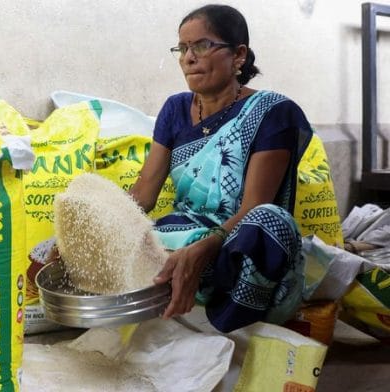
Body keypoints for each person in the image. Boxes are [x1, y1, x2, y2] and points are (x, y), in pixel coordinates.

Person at [129, 4, 313, 332]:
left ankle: (228, 327)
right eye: (183, 48)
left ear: (238, 55)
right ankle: (186, 302)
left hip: (239, 248)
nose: (188, 57)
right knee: (153, 232)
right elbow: (143, 195)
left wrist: (205, 247)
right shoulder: (174, 109)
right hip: (183, 237)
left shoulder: (273, 112)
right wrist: (94, 224)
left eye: (201, 45)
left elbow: (254, 207)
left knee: (269, 223)